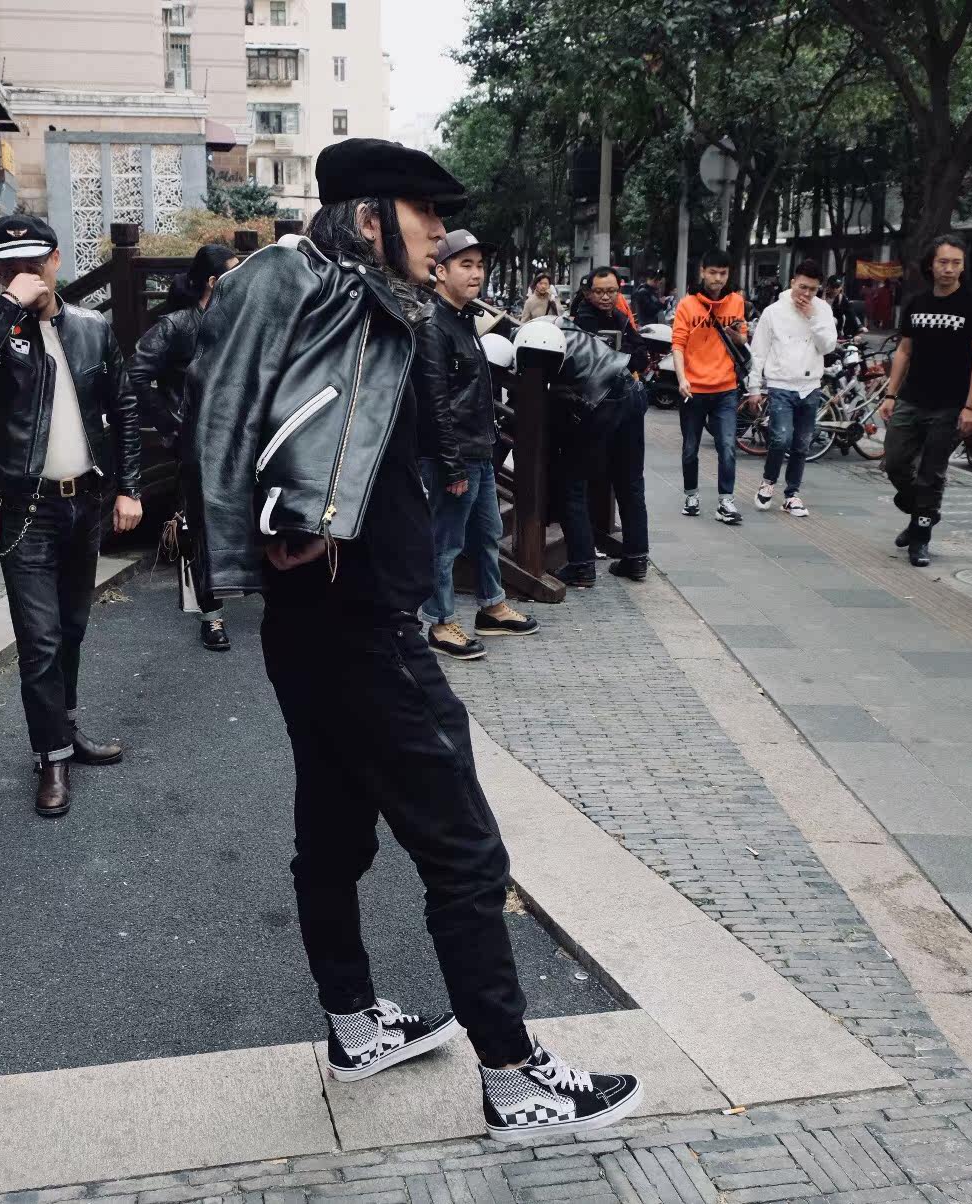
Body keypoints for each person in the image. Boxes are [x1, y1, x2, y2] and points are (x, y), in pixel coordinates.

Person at [184, 137, 643, 1142]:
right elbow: (219, 410)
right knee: (466, 854)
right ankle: (515, 1078)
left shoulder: (381, 303)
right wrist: (240, 554)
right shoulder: (289, 280)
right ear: (366, 218)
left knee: (336, 834)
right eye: (426, 217)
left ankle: (355, 1025)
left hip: (338, 617)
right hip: (356, 626)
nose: (441, 235)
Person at [0, 215, 142, 818]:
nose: (25, 275)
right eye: (9, 269)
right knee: (40, 641)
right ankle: (51, 758)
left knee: (73, 629)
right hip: (25, 511)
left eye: (33, 264)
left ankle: (67, 730)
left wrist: (129, 488)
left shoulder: (91, 327)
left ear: (56, 260)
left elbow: (125, 406)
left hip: (84, 504)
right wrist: (9, 306)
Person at [414, 228, 538, 660]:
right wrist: (450, 466)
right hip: (452, 456)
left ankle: (492, 606)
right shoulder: (433, 325)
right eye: (465, 265)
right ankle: (440, 621)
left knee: (487, 533)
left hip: (478, 451)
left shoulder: (463, 318)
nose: (476, 273)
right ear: (440, 271)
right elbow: (434, 404)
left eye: (480, 265)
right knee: (445, 542)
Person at [129, 244, 239, 651]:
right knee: (198, 525)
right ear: (212, 281)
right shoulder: (177, 325)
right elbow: (136, 373)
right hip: (195, 440)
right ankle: (211, 616)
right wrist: (170, 422)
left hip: (240, 436)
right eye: (232, 272)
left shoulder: (239, 320)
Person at [881, 234, 972, 567]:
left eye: (956, 263)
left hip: (951, 404)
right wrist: (891, 394)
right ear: (931, 264)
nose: (949, 269)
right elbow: (904, 351)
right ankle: (922, 513)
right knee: (895, 462)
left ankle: (920, 537)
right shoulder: (916, 303)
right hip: (912, 398)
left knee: (931, 473)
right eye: (943, 262)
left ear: (963, 267)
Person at [549, 319, 651, 587]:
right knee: (630, 481)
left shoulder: (534, 340)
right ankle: (637, 559)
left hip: (601, 399)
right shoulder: (567, 327)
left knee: (571, 482)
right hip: (630, 388)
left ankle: (581, 566)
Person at [745, 260, 837, 518]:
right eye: (803, 287)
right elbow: (759, 352)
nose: (806, 294)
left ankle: (792, 494)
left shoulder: (822, 310)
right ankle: (768, 481)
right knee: (780, 438)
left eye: (813, 289)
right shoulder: (773, 312)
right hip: (781, 384)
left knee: (803, 443)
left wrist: (813, 318)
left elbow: (828, 346)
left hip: (810, 386)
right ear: (793, 282)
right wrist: (754, 387)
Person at [672, 249, 750, 524]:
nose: (718, 278)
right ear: (702, 272)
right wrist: (682, 378)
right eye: (713, 272)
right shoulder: (687, 305)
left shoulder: (736, 301)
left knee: (727, 446)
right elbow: (678, 345)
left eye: (723, 273)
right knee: (690, 448)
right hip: (693, 389)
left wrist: (735, 334)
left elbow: (742, 340)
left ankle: (726, 501)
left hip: (726, 389)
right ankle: (691, 496)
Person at [572, 266, 649, 375]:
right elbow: (604, 361)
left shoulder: (620, 317)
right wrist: (627, 351)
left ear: (618, 292)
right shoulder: (583, 320)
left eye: (611, 291)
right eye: (598, 292)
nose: (605, 297)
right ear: (589, 293)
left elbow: (641, 352)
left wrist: (625, 353)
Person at [825, 276, 863, 340]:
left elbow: (851, 313)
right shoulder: (820, 295)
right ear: (828, 286)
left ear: (841, 287)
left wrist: (859, 326)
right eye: (833, 287)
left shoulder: (842, 299)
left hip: (835, 330)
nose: (835, 290)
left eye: (837, 287)